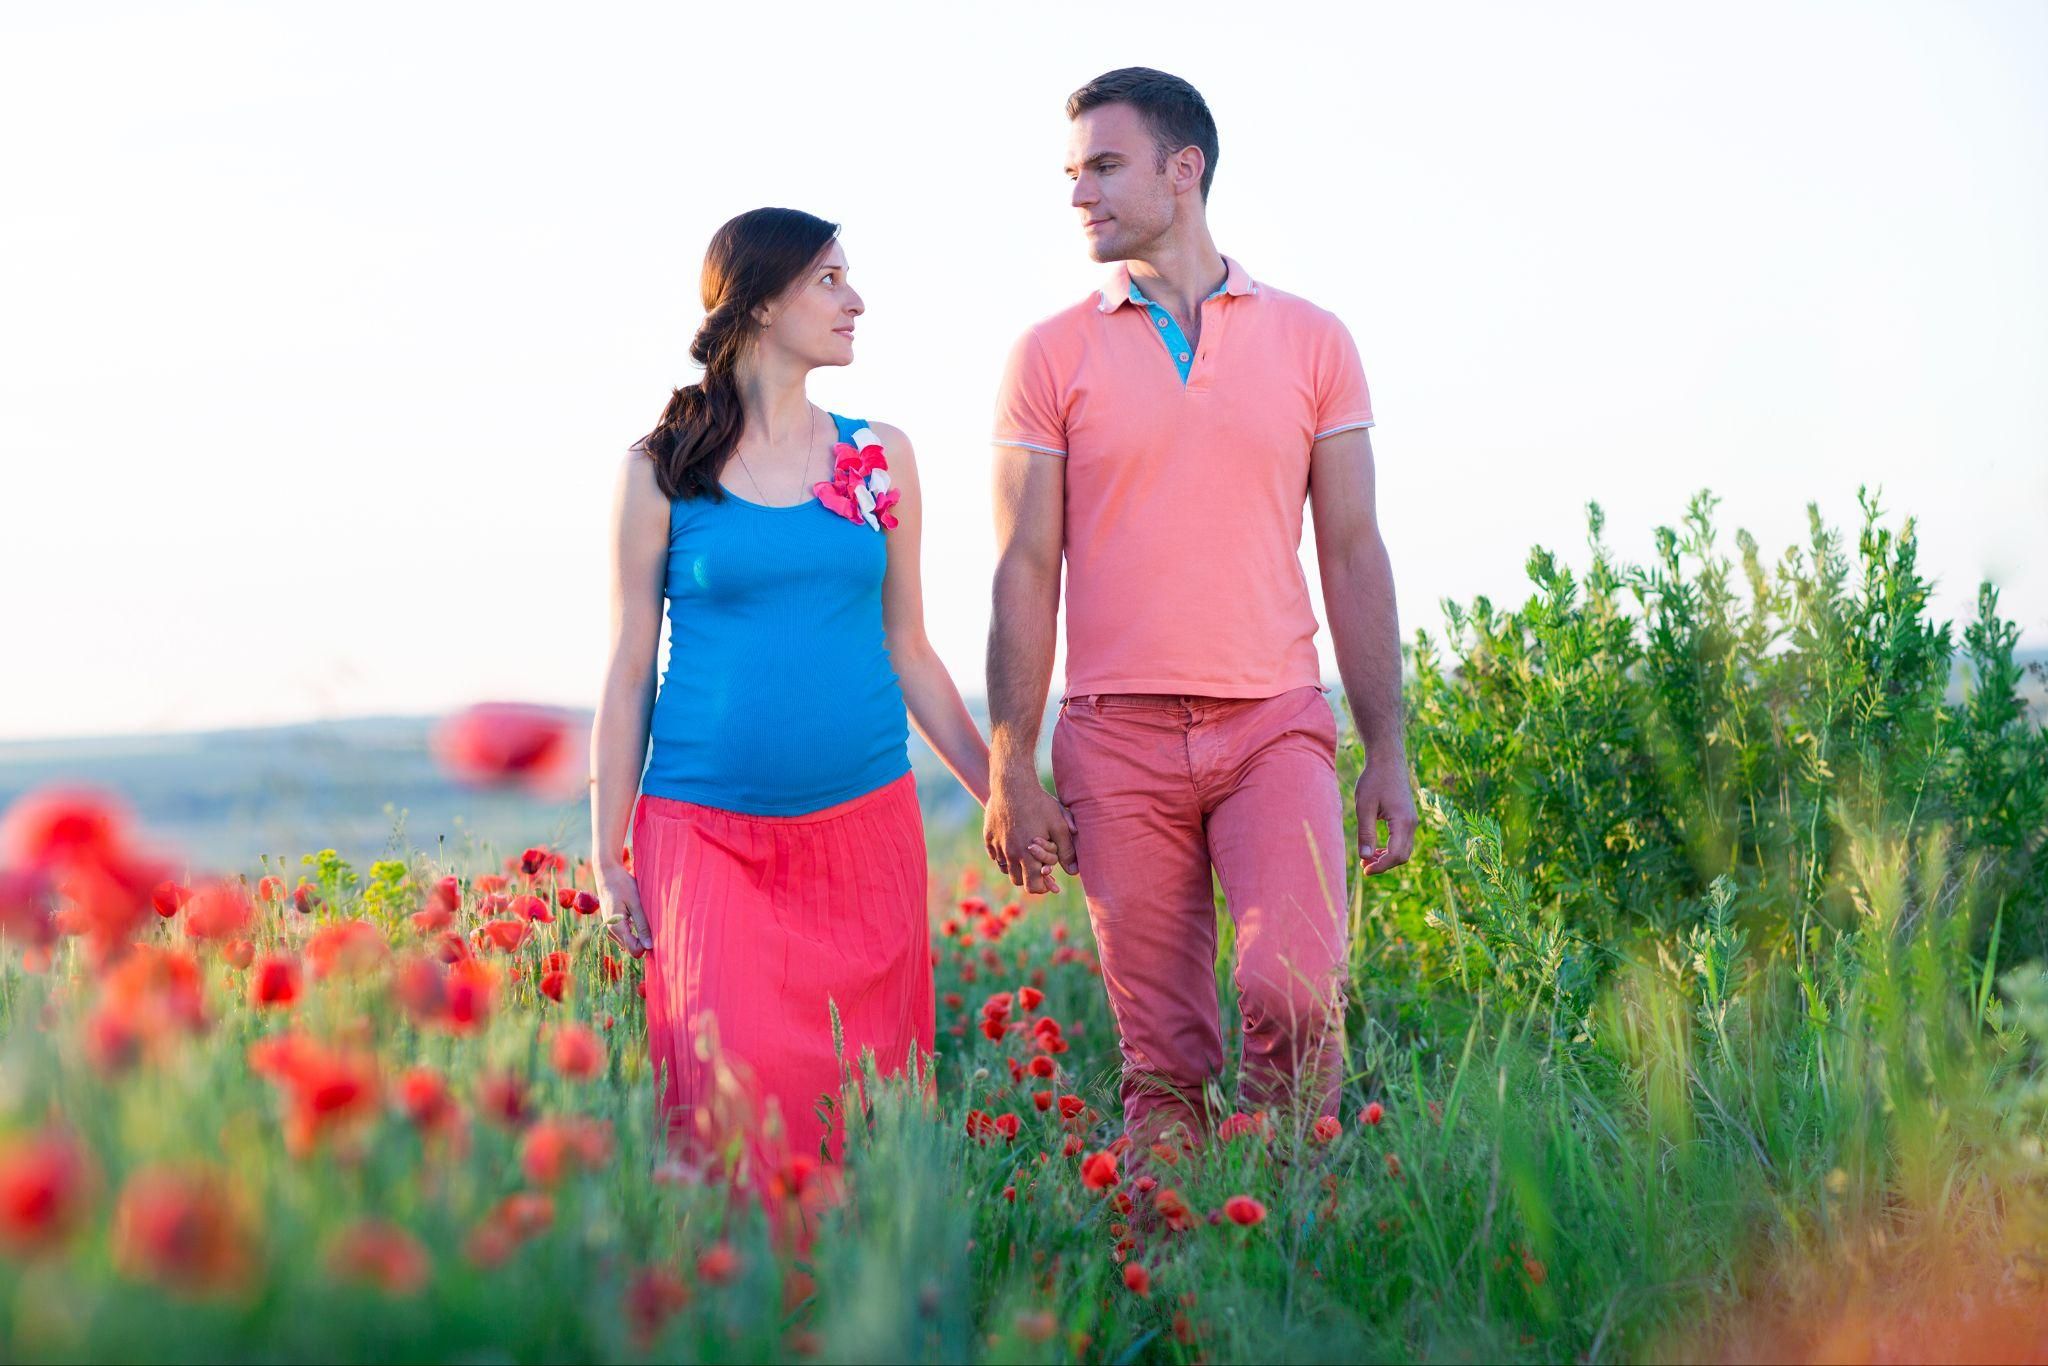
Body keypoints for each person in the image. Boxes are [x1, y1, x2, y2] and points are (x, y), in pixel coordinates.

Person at [983, 68, 1418, 1149]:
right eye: (1071, 172)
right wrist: (1008, 758)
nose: (1078, 193)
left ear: (1185, 170)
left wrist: (1387, 743)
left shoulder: (1314, 340)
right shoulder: (1047, 353)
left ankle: (1283, 1238)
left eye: (1103, 166)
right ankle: (1186, 1285)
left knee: (1296, 991)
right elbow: (1025, 566)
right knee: (1163, 1061)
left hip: (1272, 723)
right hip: (1112, 738)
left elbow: (1353, 548)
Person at [588, 207, 1006, 1194]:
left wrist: (1002, 791)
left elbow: (908, 645)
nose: (854, 299)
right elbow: (625, 665)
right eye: (829, 280)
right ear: (762, 301)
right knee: (732, 1105)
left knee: (861, 1113)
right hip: (704, 839)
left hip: (864, 839)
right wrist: (606, 854)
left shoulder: (879, 455)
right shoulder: (660, 470)